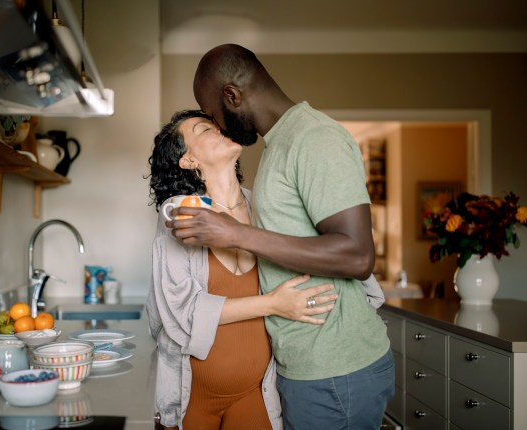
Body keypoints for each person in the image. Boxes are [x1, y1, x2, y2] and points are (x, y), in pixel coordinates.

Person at [168, 44, 394, 430]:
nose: (217, 124)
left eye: (211, 114)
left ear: (232, 96)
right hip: (307, 369)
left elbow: (358, 257)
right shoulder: (279, 146)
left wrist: (238, 233)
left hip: (335, 370)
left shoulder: (315, 139)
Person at [146, 109, 339, 430]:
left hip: (256, 391)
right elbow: (184, 311)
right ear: (189, 160)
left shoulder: (265, 206)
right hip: (192, 394)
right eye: (205, 129)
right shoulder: (179, 217)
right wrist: (273, 304)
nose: (220, 129)